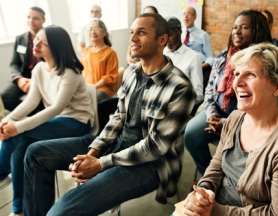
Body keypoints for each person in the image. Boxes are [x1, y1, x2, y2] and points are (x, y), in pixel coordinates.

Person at [23, 13, 195, 216]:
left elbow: (155, 147)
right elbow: (118, 117)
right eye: (132, 33)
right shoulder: (132, 72)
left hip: (149, 165)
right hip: (116, 146)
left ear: (162, 40)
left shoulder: (180, 87)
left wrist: (100, 163)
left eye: (141, 33)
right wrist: (93, 151)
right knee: (36, 153)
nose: (132, 39)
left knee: (62, 210)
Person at [179, 43, 278, 216]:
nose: (237, 83)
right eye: (236, 74)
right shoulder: (235, 119)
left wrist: (216, 211)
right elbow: (217, 166)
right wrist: (204, 191)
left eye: (250, 75)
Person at [0, 25, 93, 216]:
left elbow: (55, 108)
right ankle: (18, 209)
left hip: (77, 123)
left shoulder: (70, 72)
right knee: (20, 144)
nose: (36, 43)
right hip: (58, 121)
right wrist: (6, 121)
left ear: (56, 47)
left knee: (18, 134)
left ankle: (2, 175)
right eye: (37, 39)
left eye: (43, 42)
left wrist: (17, 126)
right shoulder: (40, 69)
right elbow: (30, 103)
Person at [184, 9, 272, 175]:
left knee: (237, 150)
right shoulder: (223, 57)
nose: (237, 32)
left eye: (244, 27)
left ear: (257, 31)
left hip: (248, 119)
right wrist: (211, 115)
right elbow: (210, 90)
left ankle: (229, 179)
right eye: (235, 27)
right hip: (217, 110)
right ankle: (208, 173)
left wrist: (227, 123)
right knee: (191, 134)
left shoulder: (264, 63)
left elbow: (260, 105)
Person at [0, 7, 45, 112]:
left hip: (43, 77)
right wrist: (19, 79)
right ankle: (30, 113)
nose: (31, 21)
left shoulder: (49, 37)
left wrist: (35, 81)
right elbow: (14, 64)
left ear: (43, 20)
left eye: (35, 18)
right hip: (24, 78)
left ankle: (39, 115)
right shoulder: (20, 39)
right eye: (29, 17)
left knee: (40, 99)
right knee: (5, 97)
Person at [164, 17, 204, 105]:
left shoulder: (193, 57)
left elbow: (198, 95)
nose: (166, 40)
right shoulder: (161, 54)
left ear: (179, 32)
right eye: (163, 36)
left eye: (169, 35)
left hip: (180, 106)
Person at [81, 19, 118, 102]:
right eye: (91, 29)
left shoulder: (110, 53)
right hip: (87, 88)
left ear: (104, 33)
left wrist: (94, 87)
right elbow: (81, 71)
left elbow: (111, 77)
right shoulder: (86, 51)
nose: (93, 31)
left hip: (103, 90)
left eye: (96, 28)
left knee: (87, 101)